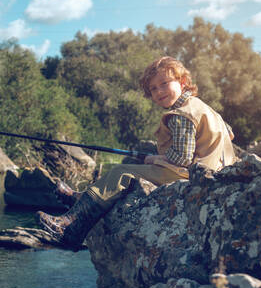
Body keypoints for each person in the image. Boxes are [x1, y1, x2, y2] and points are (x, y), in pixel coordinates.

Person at [36, 56, 237, 250]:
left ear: (183, 82)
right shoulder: (205, 108)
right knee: (135, 168)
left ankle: (70, 225)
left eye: (164, 83)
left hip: (194, 176)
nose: (159, 92)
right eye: (153, 89)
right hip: (216, 172)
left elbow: (183, 158)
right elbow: (230, 132)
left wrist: (155, 158)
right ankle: (83, 200)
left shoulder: (182, 114)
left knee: (122, 171)